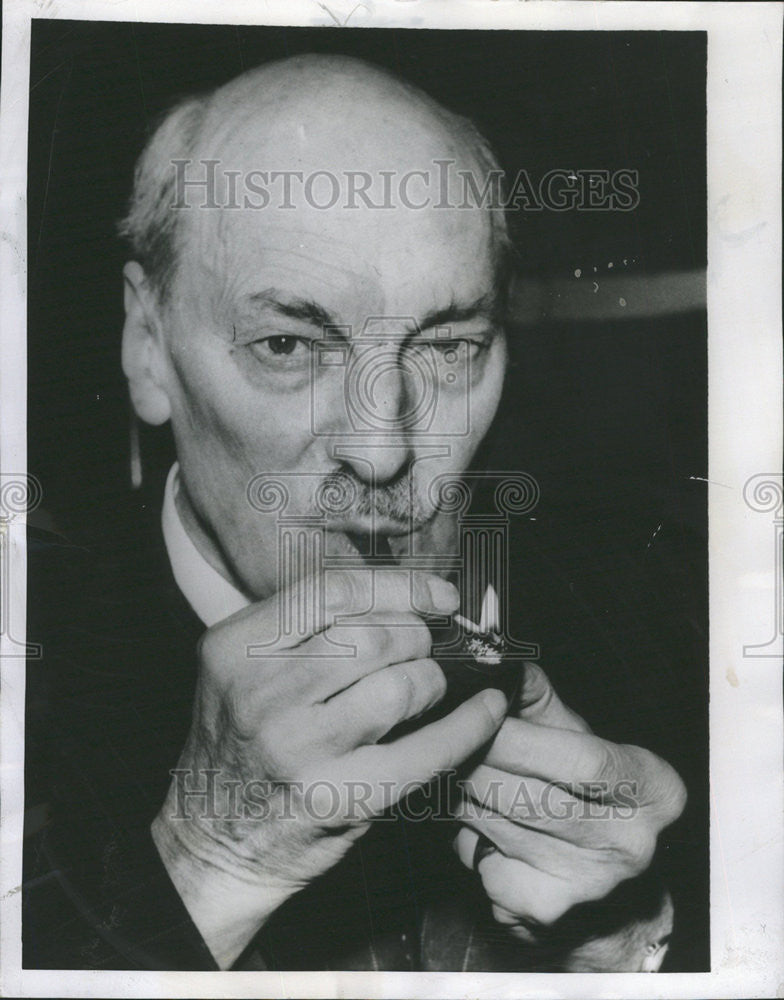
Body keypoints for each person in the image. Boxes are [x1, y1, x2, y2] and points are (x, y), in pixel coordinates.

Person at [23, 53, 696, 973]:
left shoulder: (655, 617)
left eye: (450, 345)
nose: (383, 452)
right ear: (149, 344)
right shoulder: (35, 668)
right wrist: (205, 865)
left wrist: (622, 943)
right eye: (289, 345)